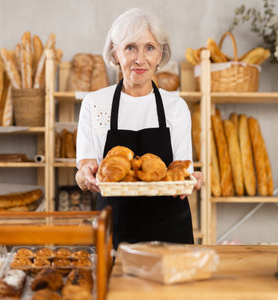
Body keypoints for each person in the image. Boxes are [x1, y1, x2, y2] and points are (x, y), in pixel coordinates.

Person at [75, 8, 203, 249]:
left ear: (160, 54)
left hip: (169, 230)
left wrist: (191, 180)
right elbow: (84, 170)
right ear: (115, 52)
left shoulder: (175, 106)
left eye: (149, 48)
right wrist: (85, 175)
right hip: (115, 228)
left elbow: (182, 170)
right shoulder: (95, 104)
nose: (140, 58)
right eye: (130, 47)